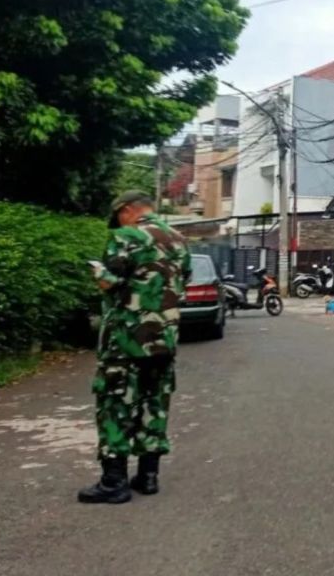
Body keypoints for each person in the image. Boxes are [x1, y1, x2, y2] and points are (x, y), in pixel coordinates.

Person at [79, 191, 191, 504]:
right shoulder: (179, 240)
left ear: (127, 211)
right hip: (163, 341)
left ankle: (113, 483)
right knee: (153, 405)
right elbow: (182, 282)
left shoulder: (126, 236)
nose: (117, 222)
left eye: (118, 216)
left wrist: (97, 272)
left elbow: (111, 281)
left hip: (125, 343)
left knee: (116, 407)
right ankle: (148, 476)